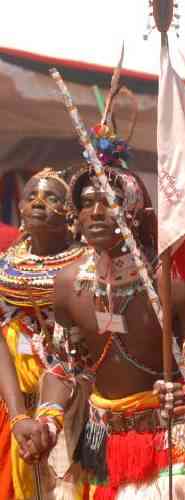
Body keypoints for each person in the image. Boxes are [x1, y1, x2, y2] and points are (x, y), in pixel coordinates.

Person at [19, 160, 185, 498]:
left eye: (110, 202)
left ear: (135, 212)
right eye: (86, 203)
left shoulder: (169, 280)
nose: (96, 212)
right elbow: (64, 367)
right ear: (76, 216)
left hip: (167, 439)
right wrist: (49, 418)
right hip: (101, 441)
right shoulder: (69, 284)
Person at [0, 168, 87, 499]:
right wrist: (18, 414)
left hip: (74, 398)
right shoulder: (5, 265)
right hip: (13, 402)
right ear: (19, 208)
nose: (39, 203)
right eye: (32, 196)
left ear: (68, 213)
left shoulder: (88, 265)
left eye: (52, 198)